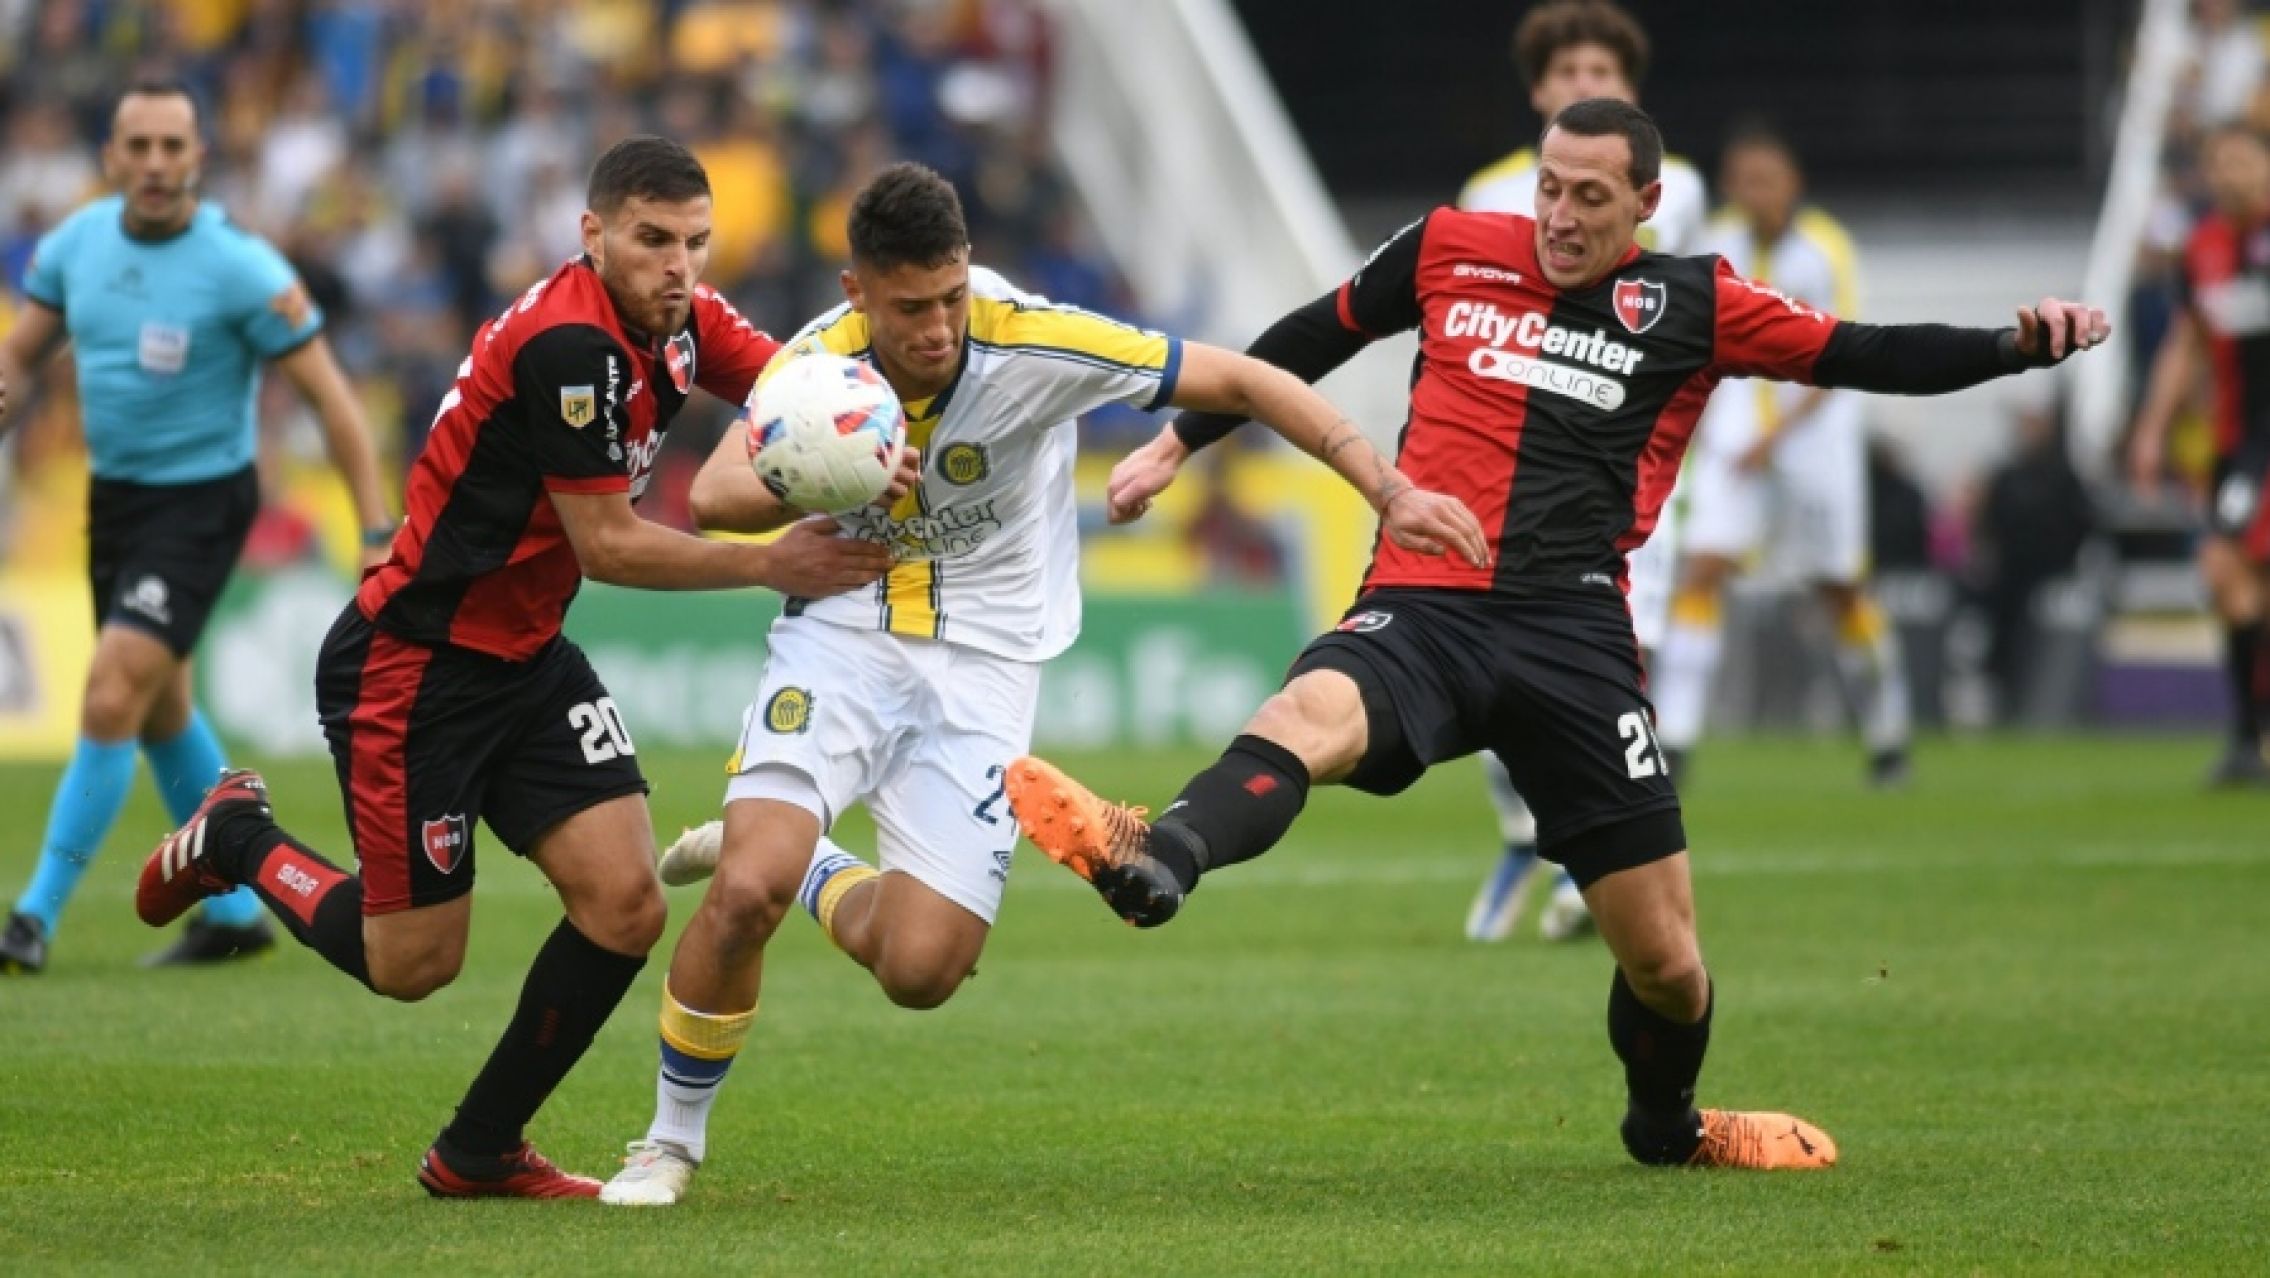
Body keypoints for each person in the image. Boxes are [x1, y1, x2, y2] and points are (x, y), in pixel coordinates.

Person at [1015, 99, 2106, 1172]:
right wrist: (1180, 442)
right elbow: (1312, 333)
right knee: (1304, 715)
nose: (1559, 215)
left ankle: (1666, 1128)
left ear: (1645, 203)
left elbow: (1861, 351)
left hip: (1571, 635)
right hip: (1425, 598)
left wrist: (2011, 346)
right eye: (1547, 187)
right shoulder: (1446, 247)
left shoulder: (1693, 302)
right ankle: (1154, 856)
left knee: (1668, 966)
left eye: (1589, 197)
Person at [595, 163, 1481, 1207]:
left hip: (985, 661)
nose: (935, 329)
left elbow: (1244, 380)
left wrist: (1384, 485)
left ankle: (816, 864)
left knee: (921, 972)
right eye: (908, 308)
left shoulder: (1034, 339)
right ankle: (667, 1142)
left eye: (950, 298)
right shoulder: (820, 366)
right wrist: (819, 472)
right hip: (843, 636)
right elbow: (712, 495)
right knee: (746, 893)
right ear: (857, 294)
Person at [132, 135, 895, 1198]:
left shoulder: (682, 323)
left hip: (526, 657)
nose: (678, 266)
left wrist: (888, 417)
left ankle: (477, 1149)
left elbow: (793, 384)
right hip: (415, 666)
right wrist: (769, 559)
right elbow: (611, 545)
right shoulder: (565, 349)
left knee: (627, 904)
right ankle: (239, 836)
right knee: (412, 965)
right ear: (592, 236)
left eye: (696, 243)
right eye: (651, 241)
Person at [0, 81, 393, 975]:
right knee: (158, 707)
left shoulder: (240, 267)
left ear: (197, 159)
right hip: (116, 504)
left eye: (172, 147)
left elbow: (332, 401)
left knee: (110, 692)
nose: (154, 164)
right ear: (111, 156)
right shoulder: (74, 247)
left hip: (204, 503)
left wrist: (376, 527)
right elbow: (20, 358)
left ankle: (31, 919)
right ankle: (242, 910)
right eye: (137, 146)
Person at [1456, 0, 1708, 945]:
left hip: (1628, 463)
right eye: (1566, 75)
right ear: (1538, 90)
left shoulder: (1674, 187)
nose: (1583, 86)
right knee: (1484, 655)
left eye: (1601, 72)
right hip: (1511, 466)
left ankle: (1594, 852)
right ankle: (1528, 836)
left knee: (1624, 656)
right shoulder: (1487, 193)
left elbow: (1690, 318)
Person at [1648, 127, 1914, 787]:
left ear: (1794, 182)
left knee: (1839, 587)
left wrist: (1777, 436)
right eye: (1742, 179)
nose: (1753, 192)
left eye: (1766, 178)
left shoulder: (1826, 249)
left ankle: (1888, 734)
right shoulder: (1718, 243)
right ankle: (1675, 740)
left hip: (1815, 443)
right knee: (1702, 572)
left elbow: (1845, 352)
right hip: (1735, 442)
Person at [2128, 123, 2270, 786]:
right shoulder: (2203, 247)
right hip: (2239, 445)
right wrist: (2152, 429)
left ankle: (2249, 736)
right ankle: (2249, 736)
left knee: (2227, 567)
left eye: (2242, 161)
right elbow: (2184, 344)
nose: (2230, 174)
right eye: (2219, 163)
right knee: (2227, 574)